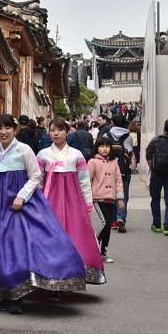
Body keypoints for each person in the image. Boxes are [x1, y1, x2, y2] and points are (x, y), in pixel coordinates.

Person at [0, 113, 86, 315]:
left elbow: (35, 176)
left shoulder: (24, 150)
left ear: (15, 129)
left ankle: (17, 296)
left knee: (17, 246)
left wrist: (21, 197)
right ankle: (1, 293)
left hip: (19, 205)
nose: (3, 132)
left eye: (7, 128)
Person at [37, 117, 105, 286]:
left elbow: (84, 181)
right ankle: (48, 276)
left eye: (59, 130)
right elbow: (37, 181)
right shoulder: (43, 154)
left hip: (72, 201)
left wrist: (88, 204)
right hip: (49, 200)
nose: (55, 133)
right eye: (52, 130)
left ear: (67, 133)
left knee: (73, 235)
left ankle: (70, 274)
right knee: (50, 236)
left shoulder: (77, 155)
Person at [88, 138, 125, 263]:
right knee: (105, 222)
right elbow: (87, 180)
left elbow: (118, 180)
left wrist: (120, 198)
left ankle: (103, 252)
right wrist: (86, 198)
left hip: (111, 198)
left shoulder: (114, 162)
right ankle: (92, 245)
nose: (105, 149)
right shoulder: (93, 162)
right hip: (97, 197)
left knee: (108, 226)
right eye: (101, 146)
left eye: (107, 146)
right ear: (97, 147)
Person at [107, 113, 134, 232]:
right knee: (124, 195)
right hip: (124, 169)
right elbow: (130, 151)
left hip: (109, 170)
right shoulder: (129, 137)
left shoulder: (106, 135)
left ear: (113, 123)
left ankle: (112, 221)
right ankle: (121, 218)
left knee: (111, 195)